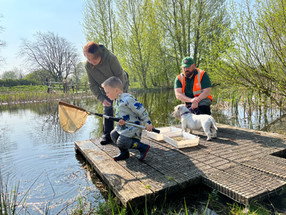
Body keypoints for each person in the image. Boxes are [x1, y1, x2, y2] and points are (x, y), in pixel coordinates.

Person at [83, 41, 129, 145]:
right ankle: (107, 135)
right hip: (104, 87)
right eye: (88, 58)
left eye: (92, 59)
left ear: (99, 55)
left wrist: (117, 94)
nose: (90, 61)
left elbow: (120, 76)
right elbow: (92, 85)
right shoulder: (88, 66)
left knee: (122, 107)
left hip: (120, 83)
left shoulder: (111, 58)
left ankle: (124, 134)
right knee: (107, 107)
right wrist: (101, 98)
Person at [101, 76, 153, 161]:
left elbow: (141, 110)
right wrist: (121, 121)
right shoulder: (117, 100)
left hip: (133, 127)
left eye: (108, 92)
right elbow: (122, 114)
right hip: (124, 126)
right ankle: (124, 153)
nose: (106, 95)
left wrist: (148, 122)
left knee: (122, 142)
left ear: (116, 90)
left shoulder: (128, 99)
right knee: (113, 134)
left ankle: (142, 147)